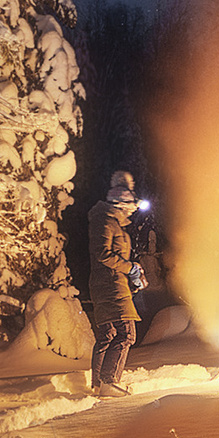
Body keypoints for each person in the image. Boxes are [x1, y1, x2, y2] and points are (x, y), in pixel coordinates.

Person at [88, 170, 141, 396]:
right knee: (127, 334)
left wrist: (133, 276)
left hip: (111, 283)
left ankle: (99, 384)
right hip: (109, 285)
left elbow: (114, 257)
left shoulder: (114, 224)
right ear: (122, 203)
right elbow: (102, 253)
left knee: (108, 333)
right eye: (131, 205)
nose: (133, 209)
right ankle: (109, 382)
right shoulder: (106, 221)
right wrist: (129, 268)